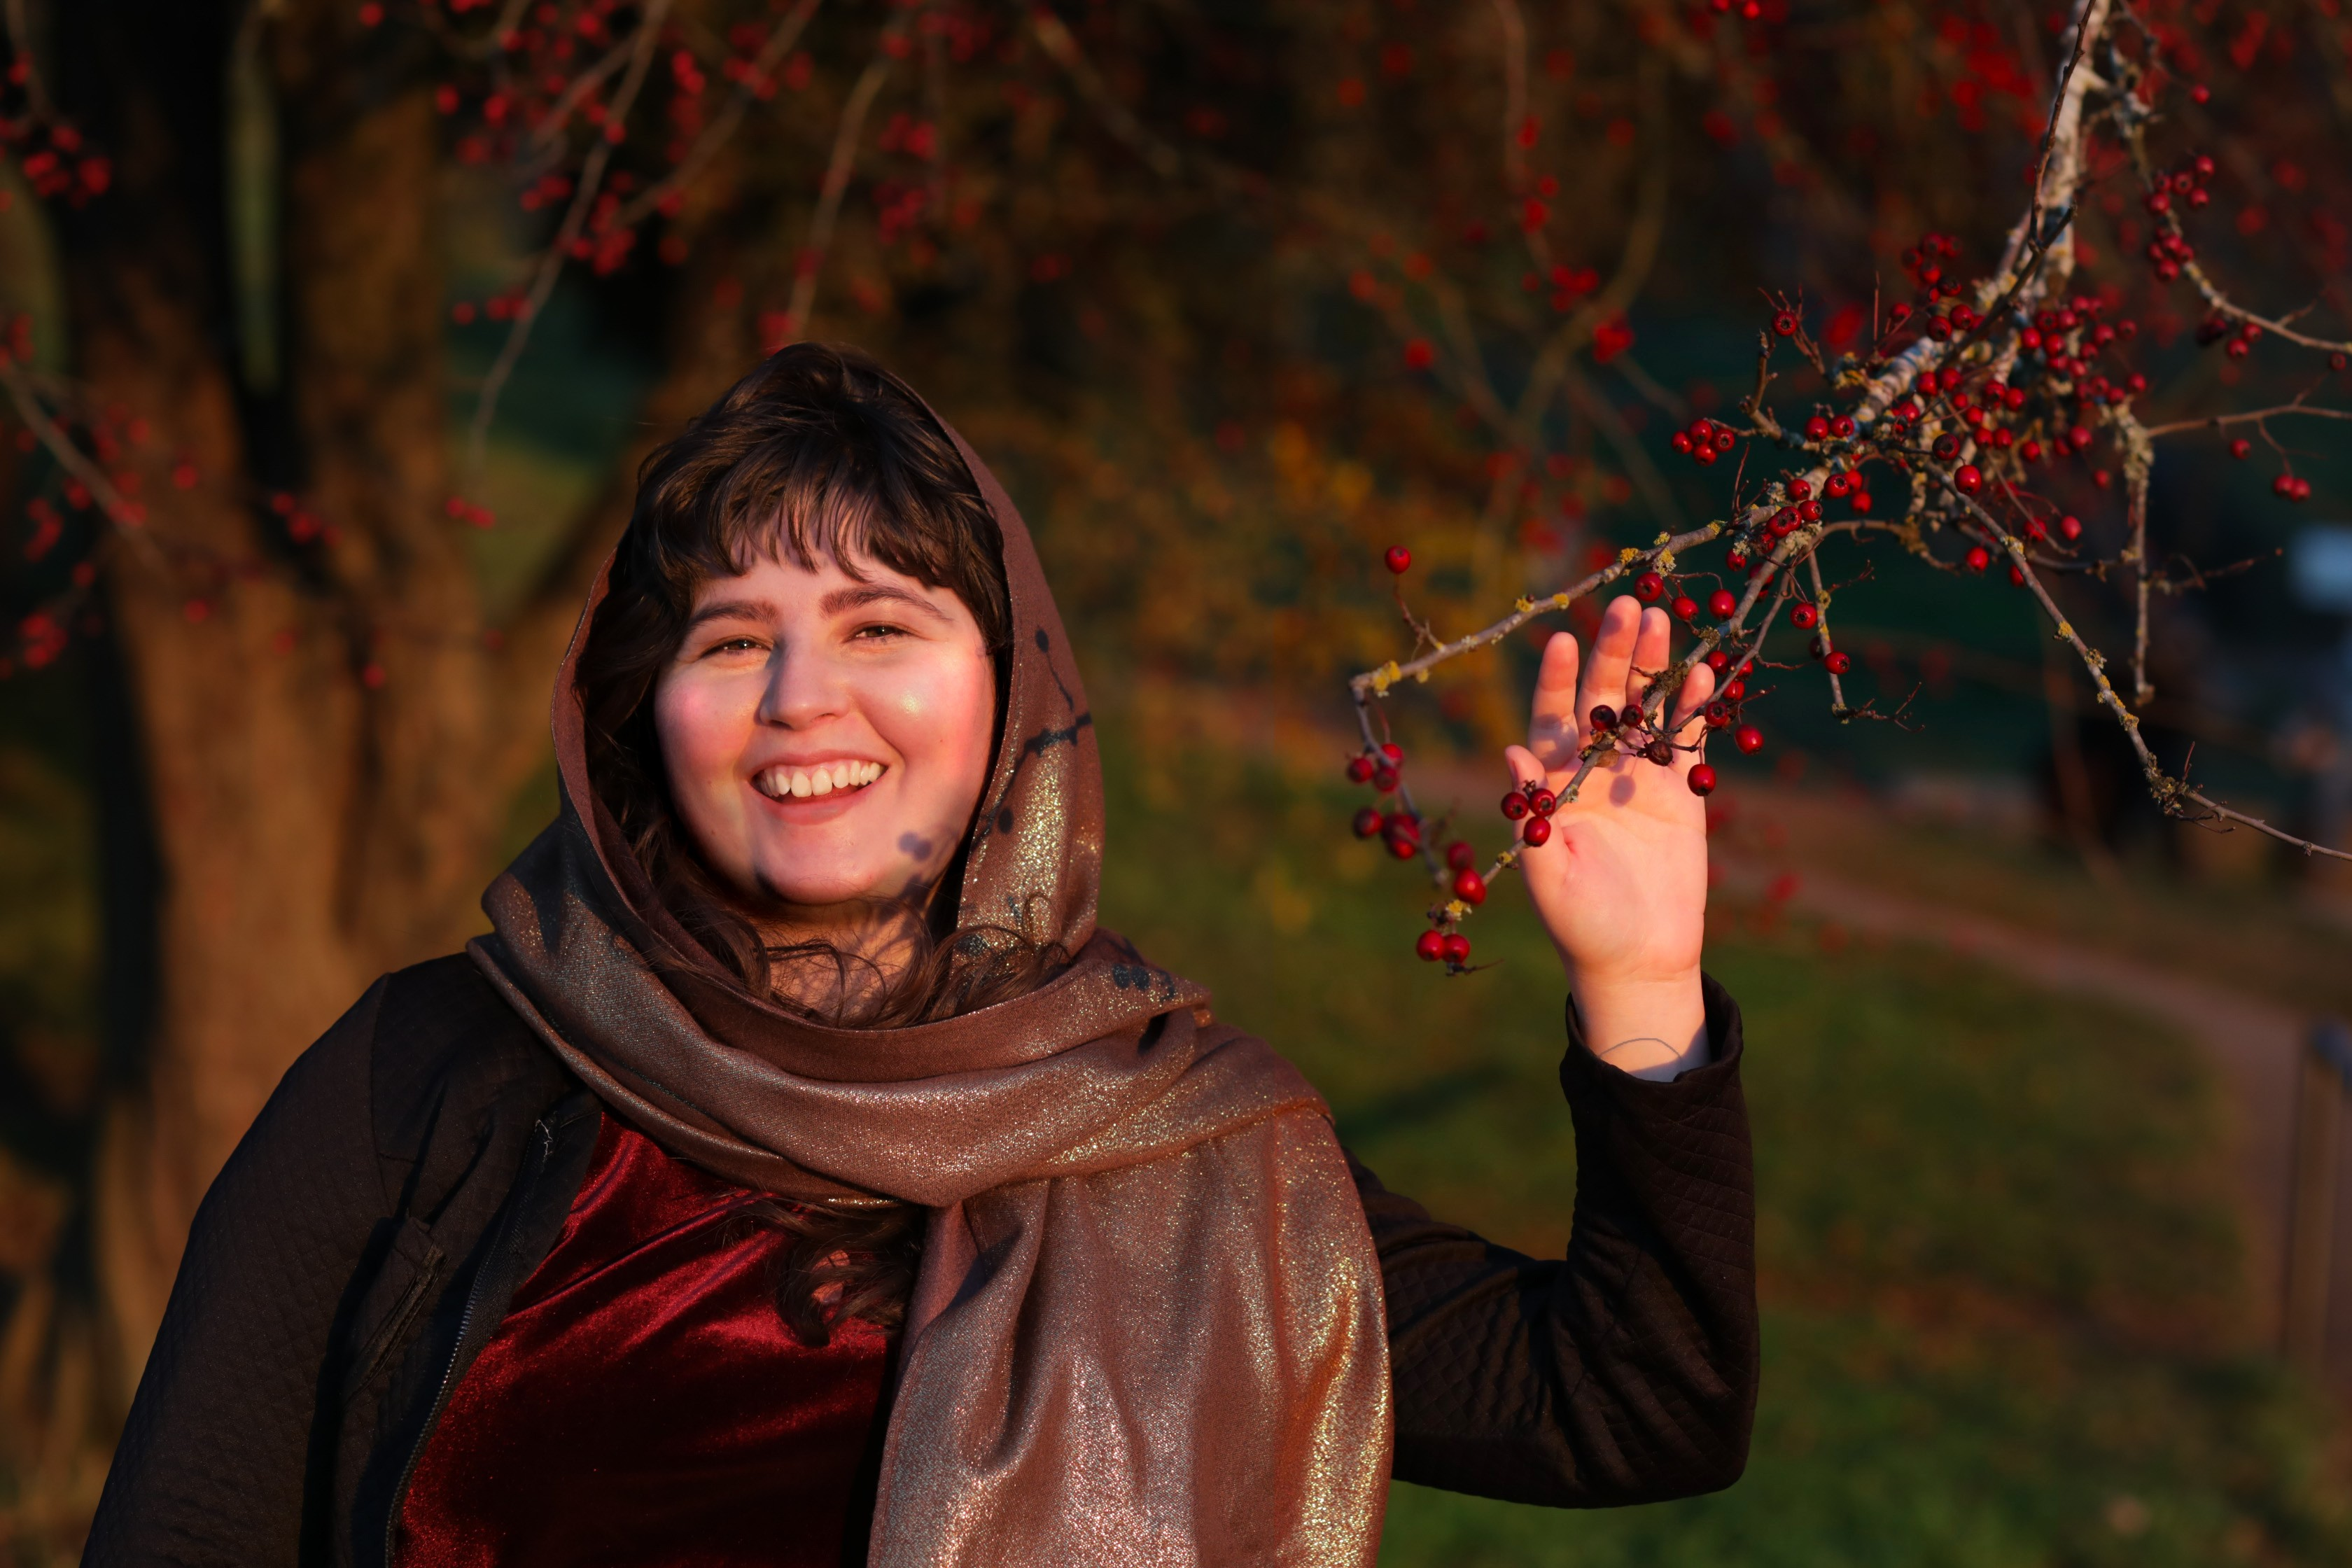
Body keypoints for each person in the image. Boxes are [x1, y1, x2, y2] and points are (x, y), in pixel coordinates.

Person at [82, 345, 1756, 1568]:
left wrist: (1643, 989)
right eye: (734, 637)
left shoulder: (1183, 1146)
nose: (804, 698)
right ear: (640, 714)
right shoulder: (429, 1076)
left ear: (1010, 685)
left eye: (883, 624)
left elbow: (1630, 1404)